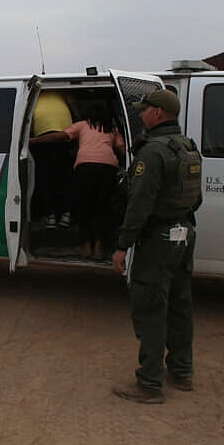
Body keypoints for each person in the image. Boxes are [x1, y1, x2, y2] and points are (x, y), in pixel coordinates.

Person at [111, 89, 202, 404]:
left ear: (159, 113)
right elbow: (196, 199)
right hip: (184, 234)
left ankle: (149, 383)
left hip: (158, 240)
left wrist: (123, 245)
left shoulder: (151, 153)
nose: (141, 114)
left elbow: (139, 205)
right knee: (180, 305)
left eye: (145, 109)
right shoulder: (187, 147)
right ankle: (181, 371)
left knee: (150, 305)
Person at [31, 102, 125, 259]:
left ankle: (86, 247)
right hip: (107, 169)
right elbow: (121, 148)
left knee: (84, 207)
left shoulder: (82, 126)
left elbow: (59, 136)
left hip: (85, 168)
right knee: (102, 208)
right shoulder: (112, 129)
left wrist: (33, 141)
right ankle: (99, 248)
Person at [29, 91, 74, 229]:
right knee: (67, 179)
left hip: (42, 140)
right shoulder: (62, 92)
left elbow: (26, 119)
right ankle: (67, 214)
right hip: (65, 138)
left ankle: (50, 216)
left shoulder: (33, 93)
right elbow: (76, 108)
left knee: (45, 180)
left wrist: (29, 140)